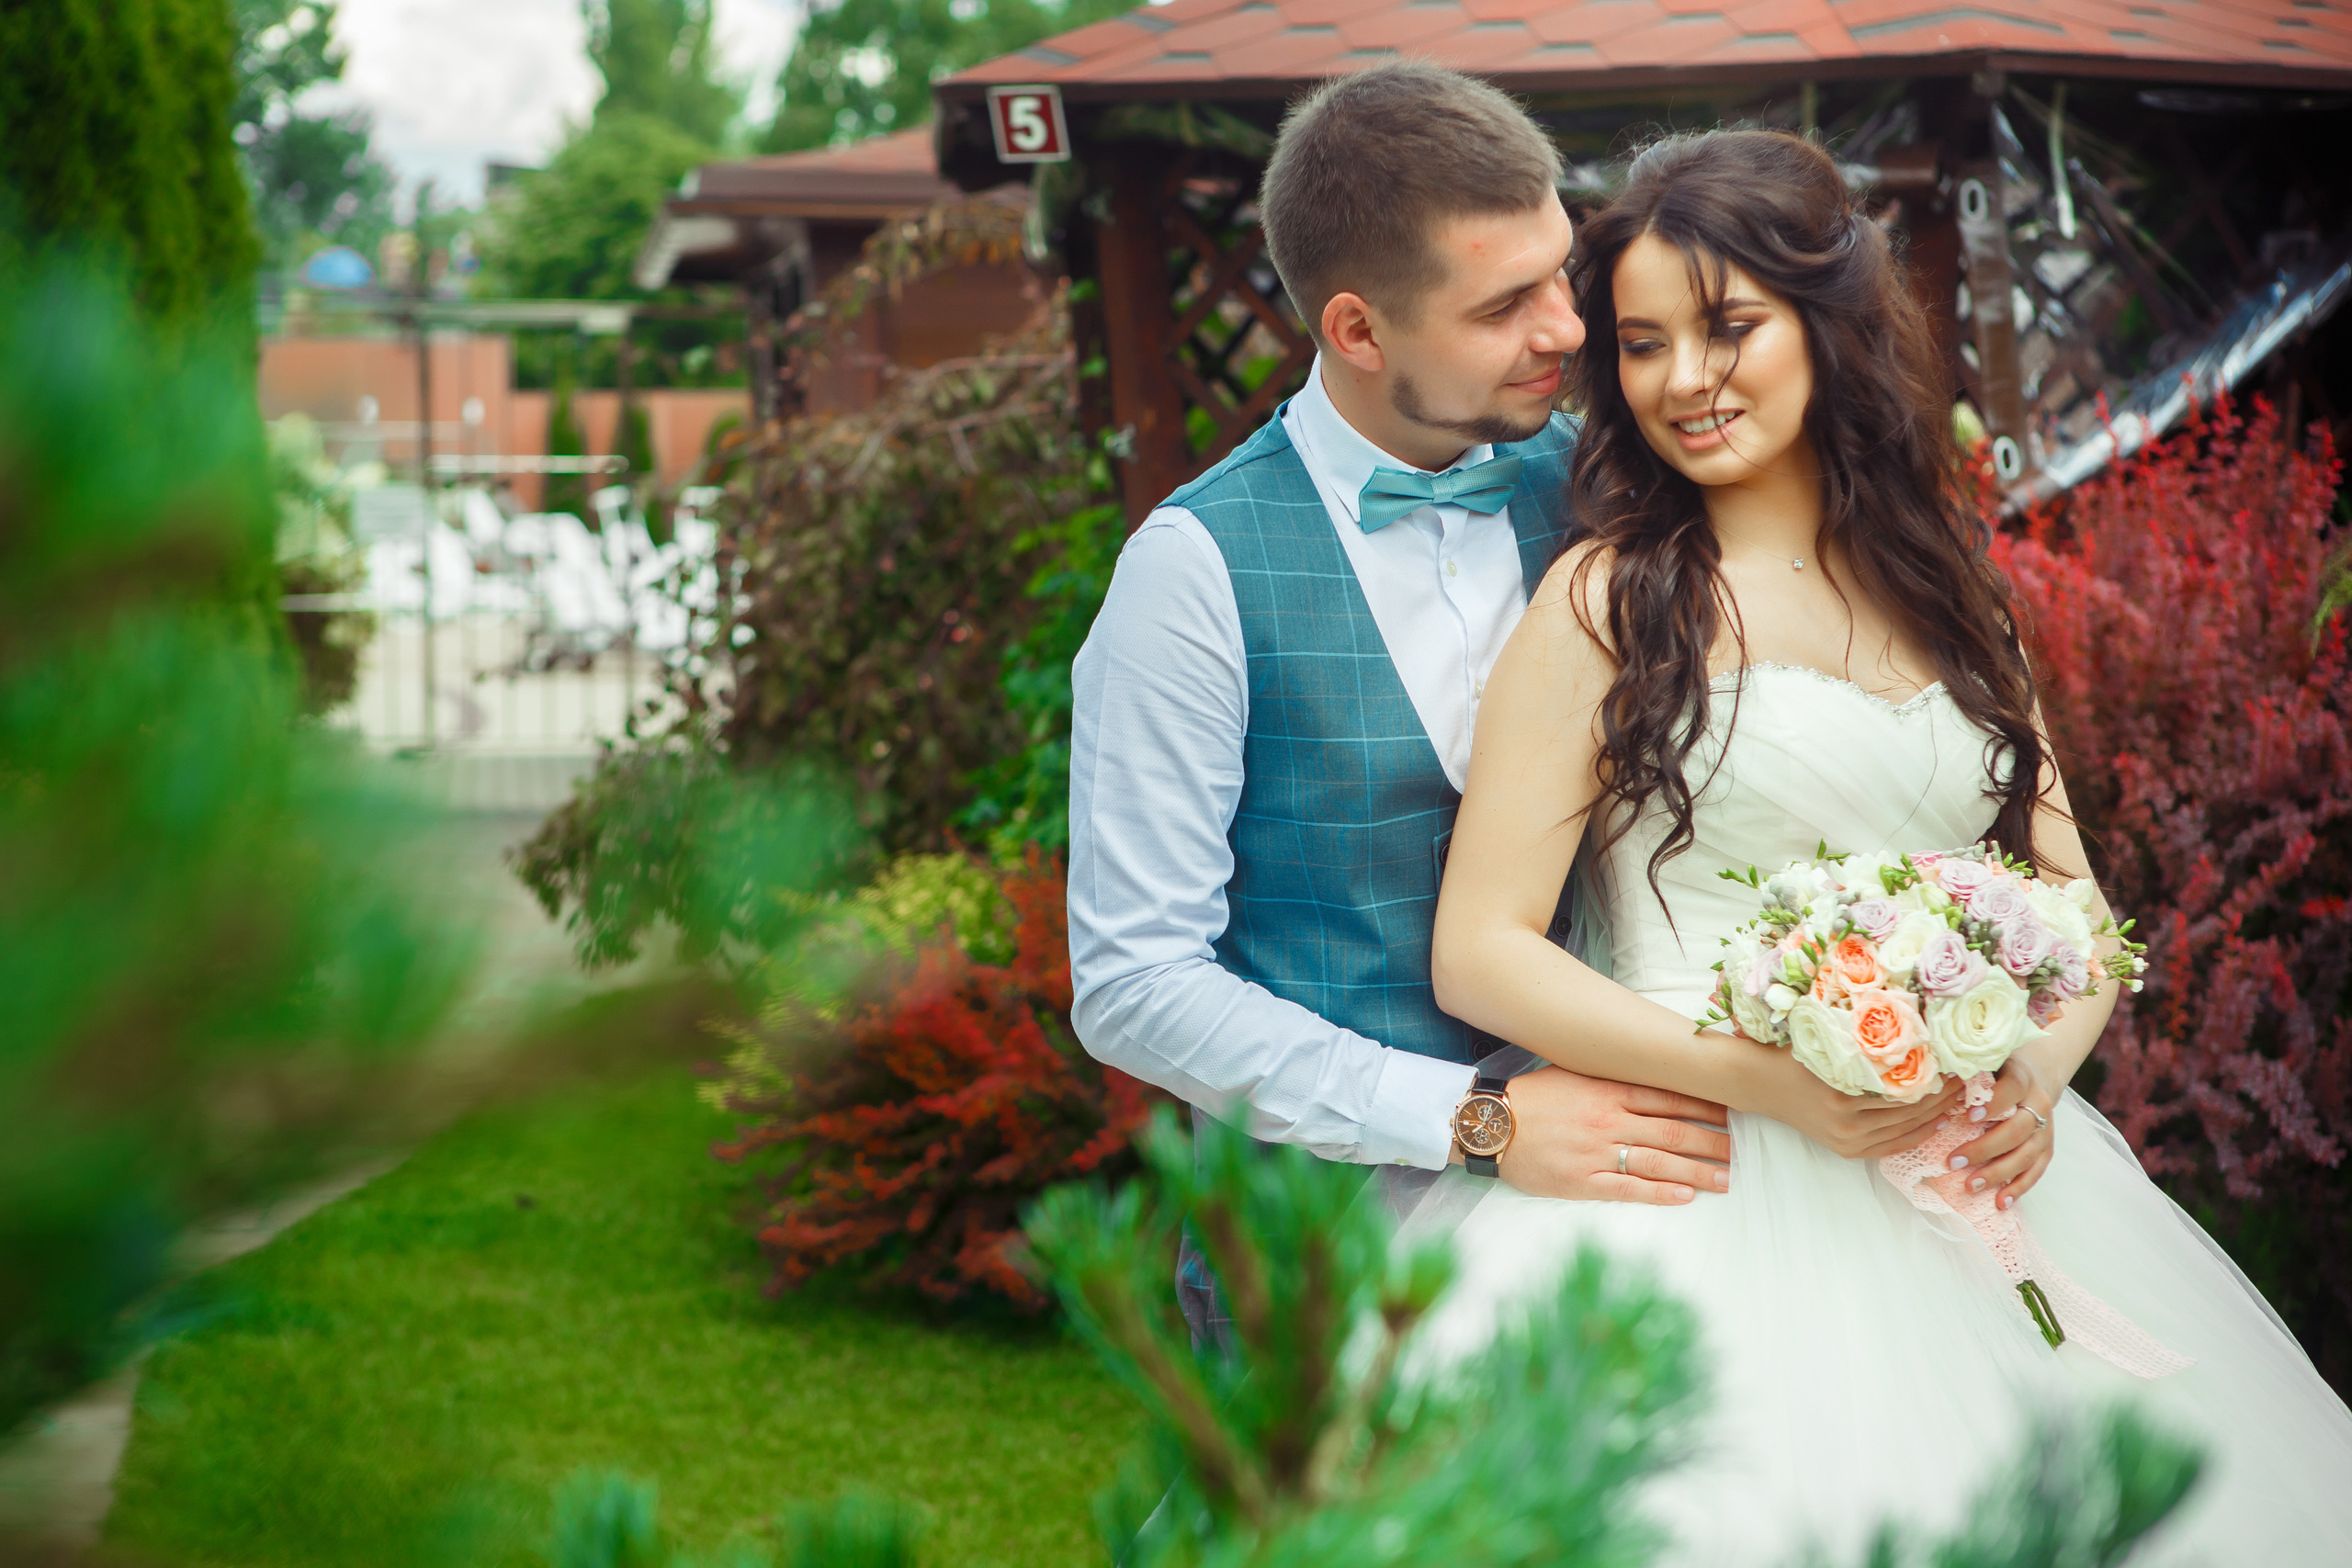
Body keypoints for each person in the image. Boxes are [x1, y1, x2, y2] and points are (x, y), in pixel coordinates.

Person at [1423, 127, 2352, 1562]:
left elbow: (2079, 912)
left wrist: (2035, 1080)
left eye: (1729, 327)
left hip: (1974, 1164)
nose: (1684, 381)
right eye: (1644, 343)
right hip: (1703, 1173)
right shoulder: (1609, 602)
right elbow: (1479, 952)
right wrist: (1763, 1083)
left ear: (1828, 324)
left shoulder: (1948, 592)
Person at [1067, 63, 1856, 1352]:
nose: (1566, 327)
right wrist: (1470, 1122)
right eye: (1504, 306)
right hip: (1326, 1265)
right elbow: (1135, 982)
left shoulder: (1614, 489)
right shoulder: (1192, 573)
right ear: (1359, 331)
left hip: (1639, 1224)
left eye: (1561, 271)